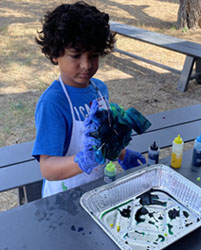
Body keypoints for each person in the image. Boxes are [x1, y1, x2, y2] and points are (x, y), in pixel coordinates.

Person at [32, 1, 146, 198]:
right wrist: (83, 159)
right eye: (75, 56)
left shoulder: (99, 89)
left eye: (93, 55)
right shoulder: (53, 103)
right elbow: (48, 168)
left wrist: (122, 153)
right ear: (54, 54)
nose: (86, 65)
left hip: (96, 189)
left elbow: (105, 138)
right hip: (63, 197)